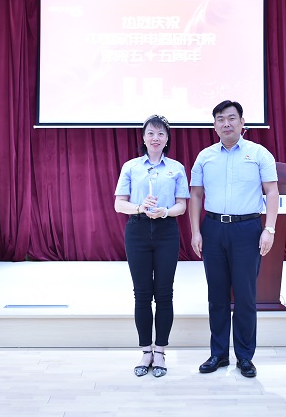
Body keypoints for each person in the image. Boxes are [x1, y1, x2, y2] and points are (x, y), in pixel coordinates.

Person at [189, 100, 279, 378]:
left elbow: (272, 191)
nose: (226, 123)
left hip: (247, 229)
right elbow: (196, 195)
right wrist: (195, 231)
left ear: (242, 122)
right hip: (213, 229)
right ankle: (218, 354)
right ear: (214, 125)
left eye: (231, 118)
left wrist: (270, 229)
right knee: (216, 296)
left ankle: (245, 357)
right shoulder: (205, 156)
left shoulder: (259, 153)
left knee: (245, 296)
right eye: (220, 119)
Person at [114, 114, 189, 378]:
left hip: (166, 231)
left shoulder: (176, 168)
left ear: (167, 139)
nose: (155, 138)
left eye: (160, 134)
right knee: (142, 294)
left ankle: (160, 352)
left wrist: (165, 212)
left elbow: (182, 205)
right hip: (137, 230)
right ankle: (146, 350)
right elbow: (119, 204)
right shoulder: (131, 167)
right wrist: (139, 207)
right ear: (143, 138)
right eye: (150, 133)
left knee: (165, 294)